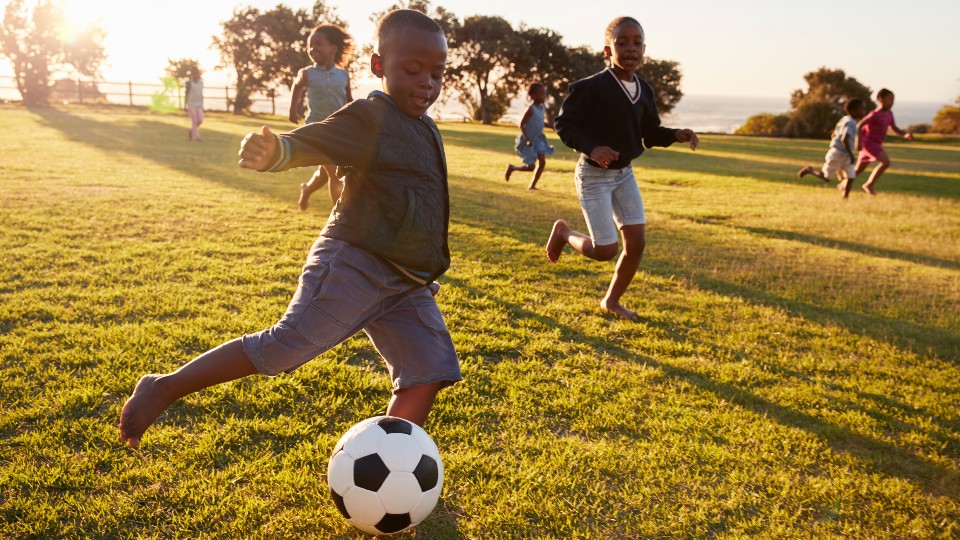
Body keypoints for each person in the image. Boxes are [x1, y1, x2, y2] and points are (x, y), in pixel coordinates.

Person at [119, 9, 459, 448]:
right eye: (413, 71)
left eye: (437, 73)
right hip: (356, 262)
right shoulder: (369, 118)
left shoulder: (427, 128)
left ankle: (395, 456)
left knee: (427, 370)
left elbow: (424, 202)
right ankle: (163, 387)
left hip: (406, 281)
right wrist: (277, 151)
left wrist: (424, 266)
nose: (427, 83)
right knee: (286, 346)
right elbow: (315, 139)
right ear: (379, 67)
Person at [545, 16, 699, 320]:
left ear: (644, 47)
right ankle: (564, 233)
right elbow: (564, 124)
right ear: (607, 50)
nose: (631, 48)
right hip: (593, 176)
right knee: (605, 250)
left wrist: (676, 135)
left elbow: (650, 133)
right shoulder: (591, 87)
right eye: (622, 42)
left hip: (623, 175)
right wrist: (593, 147)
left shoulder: (645, 90)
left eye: (637, 42)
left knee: (637, 243)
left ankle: (611, 301)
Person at [290, 23, 354, 210]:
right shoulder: (307, 73)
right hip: (317, 130)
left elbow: (349, 100)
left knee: (325, 173)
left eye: (318, 44)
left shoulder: (343, 75)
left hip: (339, 130)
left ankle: (307, 189)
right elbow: (297, 87)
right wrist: (293, 110)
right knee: (335, 173)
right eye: (310, 45)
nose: (312, 49)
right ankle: (339, 218)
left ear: (333, 48)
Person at [797, 98, 866, 198]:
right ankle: (810, 170)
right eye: (862, 109)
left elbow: (834, 133)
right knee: (827, 177)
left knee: (851, 176)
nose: (863, 111)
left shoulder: (844, 119)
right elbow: (844, 139)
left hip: (845, 154)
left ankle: (845, 198)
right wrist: (851, 155)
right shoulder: (851, 123)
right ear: (854, 110)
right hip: (838, 154)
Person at [856, 88, 913, 195]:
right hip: (869, 143)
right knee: (886, 162)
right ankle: (869, 184)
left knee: (858, 170)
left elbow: (894, 128)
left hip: (876, 143)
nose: (892, 102)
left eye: (893, 99)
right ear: (880, 99)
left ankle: (844, 184)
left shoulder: (890, 114)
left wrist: (905, 134)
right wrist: (858, 142)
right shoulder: (875, 114)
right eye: (890, 99)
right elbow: (859, 125)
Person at [504, 82, 555, 190]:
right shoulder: (530, 109)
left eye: (544, 93)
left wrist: (551, 126)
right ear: (533, 96)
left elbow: (540, 122)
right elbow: (521, 125)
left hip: (539, 138)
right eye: (541, 94)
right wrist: (528, 139)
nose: (543, 96)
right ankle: (512, 168)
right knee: (531, 167)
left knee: (542, 162)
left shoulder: (542, 107)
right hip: (528, 139)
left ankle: (532, 185)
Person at [185, 68, 203, 142]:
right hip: (191, 104)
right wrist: (185, 105)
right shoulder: (189, 83)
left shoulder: (201, 82)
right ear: (192, 74)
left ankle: (191, 130)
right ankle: (197, 137)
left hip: (199, 104)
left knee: (200, 120)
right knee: (194, 120)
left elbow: (201, 94)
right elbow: (186, 94)